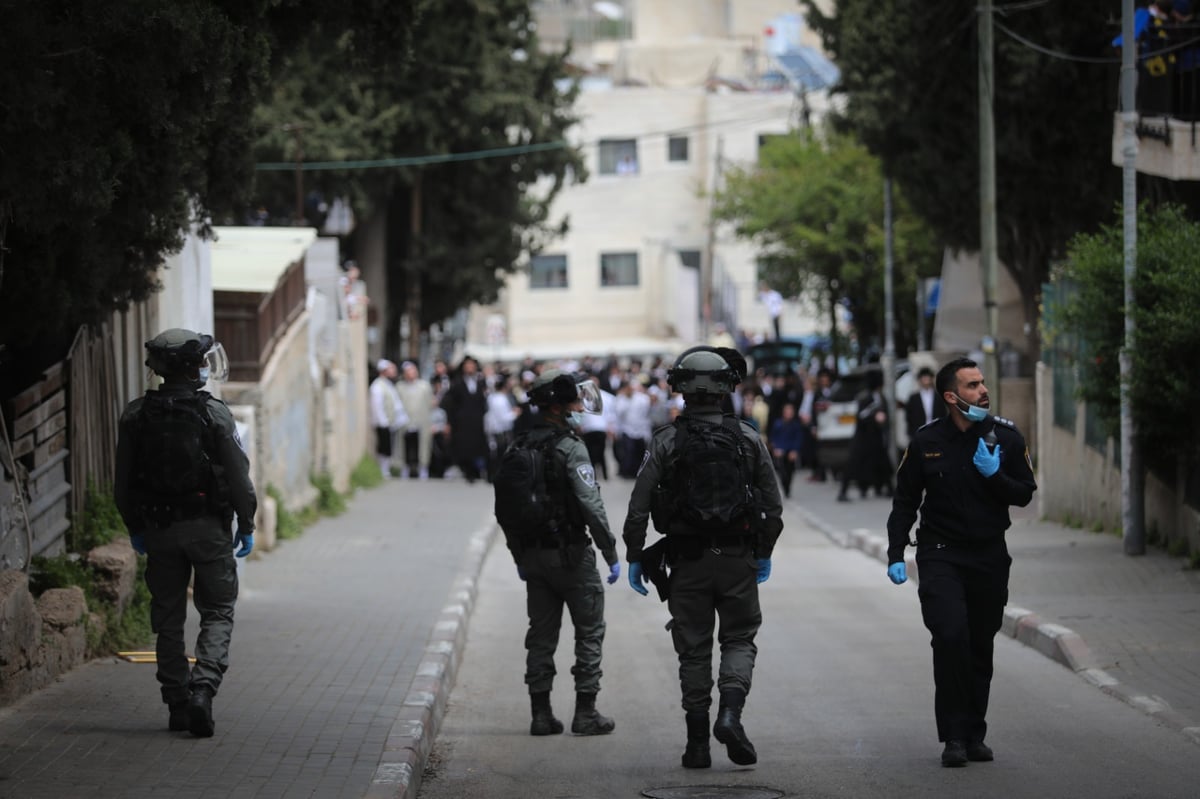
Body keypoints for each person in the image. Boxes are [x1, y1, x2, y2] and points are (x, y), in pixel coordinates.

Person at [623, 346, 784, 769]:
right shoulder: (748, 437)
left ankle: (697, 746)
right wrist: (763, 553)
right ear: (727, 387)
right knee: (739, 638)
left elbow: (638, 505)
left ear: (680, 390)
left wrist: (636, 555)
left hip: (687, 562)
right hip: (737, 560)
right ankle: (730, 715)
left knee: (693, 650)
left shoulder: (666, 441)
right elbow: (773, 505)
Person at [885, 357, 1037, 767]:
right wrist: (896, 552)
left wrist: (995, 476)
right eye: (972, 385)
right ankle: (953, 736)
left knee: (979, 645)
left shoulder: (1005, 438)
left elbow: (1024, 494)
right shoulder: (926, 441)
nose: (983, 390)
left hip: (988, 555)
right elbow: (905, 501)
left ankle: (974, 733)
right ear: (952, 396)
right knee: (950, 636)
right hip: (940, 554)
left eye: (983, 382)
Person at [114, 329, 257, 738]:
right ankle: (203, 690)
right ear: (194, 367)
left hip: (158, 531)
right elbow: (239, 478)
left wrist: (135, 529)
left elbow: (122, 486)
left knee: (169, 619)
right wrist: (245, 524)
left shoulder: (135, 414)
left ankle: (177, 702)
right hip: (208, 529)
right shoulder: (213, 413)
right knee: (217, 611)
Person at [502, 370, 621, 737]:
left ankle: (541, 714)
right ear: (559, 406)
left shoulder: (518, 445)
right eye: (574, 401)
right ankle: (586, 714)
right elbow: (591, 504)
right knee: (588, 632)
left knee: (541, 634)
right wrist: (611, 552)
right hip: (572, 556)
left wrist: (518, 555)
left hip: (534, 558)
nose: (579, 407)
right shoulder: (571, 447)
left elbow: (503, 507)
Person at [836, 370, 892, 501]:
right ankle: (843, 491)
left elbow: (886, 415)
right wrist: (875, 417)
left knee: (883, 463)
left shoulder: (881, 397)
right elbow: (861, 417)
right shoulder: (865, 398)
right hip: (863, 437)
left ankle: (887, 488)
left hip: (876, 436)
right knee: (853, 463)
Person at [440, 355, 489, 482]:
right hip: (461, 421)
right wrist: (449, 422)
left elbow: (483, 402)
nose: (470, 368)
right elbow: (449, 404)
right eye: (467, 365)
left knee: (476, 445)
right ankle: (465, 469)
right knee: (462, 445)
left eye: (472, 365)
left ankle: (475, 470)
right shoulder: (457, 383)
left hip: (477, 420)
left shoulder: (480, 382)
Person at [394, 361, 434, 480]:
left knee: (422, 446)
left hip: (421, 421)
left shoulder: (424, 386)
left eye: (413, 371)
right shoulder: (399, 387)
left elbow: (429, 404)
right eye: (408, 372)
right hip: (405, 422)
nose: (411, 374)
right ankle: (404, 469)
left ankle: (423, 469)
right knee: (404, 445)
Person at [370, 360, 409, 478]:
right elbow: (377, 406)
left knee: (388, 447)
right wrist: (383, 422)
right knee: (383, 447)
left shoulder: (388, 384)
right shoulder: (377, 386)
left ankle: (386, 469)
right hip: (383, 423)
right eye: (391, 369)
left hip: (391, 422)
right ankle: (383, 470)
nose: (394, 372)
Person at [769, 402, 804, 498]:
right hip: (780, 451)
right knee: (781, 471)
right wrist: (775, 448)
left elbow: (798, 439)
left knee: (790, 471)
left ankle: (788, 488)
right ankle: (785, 487)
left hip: (790, 450)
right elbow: (773, 437)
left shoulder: (795, 425)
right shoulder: (778, 423)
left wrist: (795, 450)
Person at [904, 366, 947, 440]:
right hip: (918, 431)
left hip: (936, 431)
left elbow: (943, 414)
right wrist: (911, 433)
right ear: (919, 380)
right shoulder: (914, 398)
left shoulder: (938, 397)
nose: (926, 380)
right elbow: (909, 416)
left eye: (928, 377)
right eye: (923, 378)